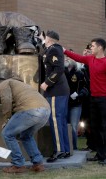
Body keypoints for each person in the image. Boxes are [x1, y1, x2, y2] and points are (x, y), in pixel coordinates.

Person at [63, 38, 106, 165]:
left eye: (93, 46)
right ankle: (100, 154)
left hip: (105, 100)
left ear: (100, 48)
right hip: (93, 99)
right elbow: (77, 57)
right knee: (96, 128)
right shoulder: (90, 59)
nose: (90, 48)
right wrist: (64, 51)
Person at [0, 77, 51, 173]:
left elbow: (6, 100)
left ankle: (18, 164)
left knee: (7, 134)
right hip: (45, 111)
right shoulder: (20, 84)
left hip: (30, 109)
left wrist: (7, 119)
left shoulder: (3, 84)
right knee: (26, 136)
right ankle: (38, 164)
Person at [39, 30, 71, 163]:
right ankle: (65, 149)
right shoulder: (52, 49)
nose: (44, 40)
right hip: (59, 90)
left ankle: (58, 150)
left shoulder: (54, 50)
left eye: (45, 38)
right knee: (61, 120)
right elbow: (46, 52)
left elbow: (58, 69)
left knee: (56, 120)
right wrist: (42, 40)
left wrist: (47, 83)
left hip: (55, 90)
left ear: (49, 39)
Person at [64, 57, 89, 150]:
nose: (66, 59)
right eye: (65, 57)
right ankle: (66, 147)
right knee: (65, 126)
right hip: (64, 103)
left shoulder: (80, 73)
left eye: (68, 58)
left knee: (74, 127)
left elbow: (86, 86)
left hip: (76, 104)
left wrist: (81, 94)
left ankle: (73, 147)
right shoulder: (62, 71)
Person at [79, 43, 96, 152]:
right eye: (85, 51)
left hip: (90, 99)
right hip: (82, 99)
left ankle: (93, 145)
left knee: (91, 123)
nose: (85, 53)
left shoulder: (90, 65)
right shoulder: (80, 65)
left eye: (88, 51)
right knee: (84, 122)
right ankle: (89, 144)